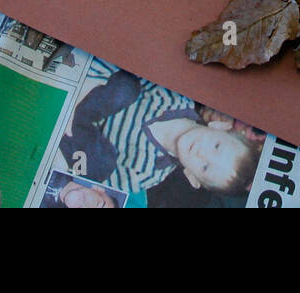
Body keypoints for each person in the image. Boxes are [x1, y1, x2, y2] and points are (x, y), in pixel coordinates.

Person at [58, 59, 260, 201]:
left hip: (73, 135)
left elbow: (99, 180)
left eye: (205, 168)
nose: (202, 152)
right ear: (220, 126)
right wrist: (92, 81)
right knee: (126, 87)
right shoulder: (176, 98)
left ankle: (61, 126)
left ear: (192, 177)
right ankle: (73, 95)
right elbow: (125, 65)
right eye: (216, 146)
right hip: (90, 85)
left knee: (100, 166)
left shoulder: (148, 173)